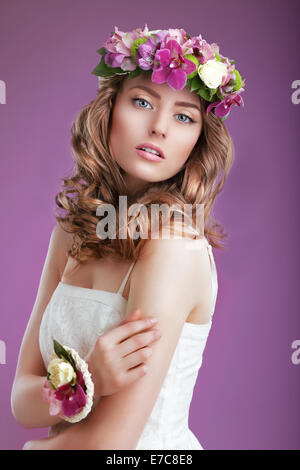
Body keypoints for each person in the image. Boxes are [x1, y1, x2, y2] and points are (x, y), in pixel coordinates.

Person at [11, 24, 245, 450]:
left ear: (197, 141)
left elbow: (110, 445)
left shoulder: (173, 249)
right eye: (142, 101)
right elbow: (22, 403)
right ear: (110, 108)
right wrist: (90, 380)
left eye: (183, 116)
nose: (159, 127)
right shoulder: (71, 233)